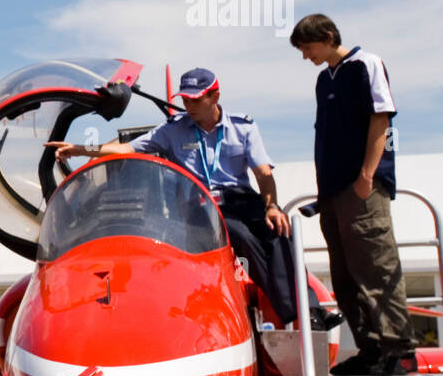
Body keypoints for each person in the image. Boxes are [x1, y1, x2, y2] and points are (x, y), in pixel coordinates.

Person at [49, 68, 321, 329]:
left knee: (280, 233)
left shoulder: (244, 127)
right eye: (185, 100)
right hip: (199, 206)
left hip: (240, 200)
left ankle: (310, 312)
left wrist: (272, 207)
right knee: (241, 235)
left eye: (195, 99)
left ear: (214, 97)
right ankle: (291, 311)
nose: (188, 105)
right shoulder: (172, 130)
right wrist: (81, 149)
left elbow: (262, 171)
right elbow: (124, 149)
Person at [290, 13, 415, 376]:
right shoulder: (322, 79)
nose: (306, 56)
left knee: (376, 266)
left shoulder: (366, 63)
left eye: (308, 47)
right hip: (332, 192)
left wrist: (367, 175)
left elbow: (382, 118)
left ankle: (400, 350)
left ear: (328, 36)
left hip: (362, 188)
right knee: (344, 274)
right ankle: (371, 349)